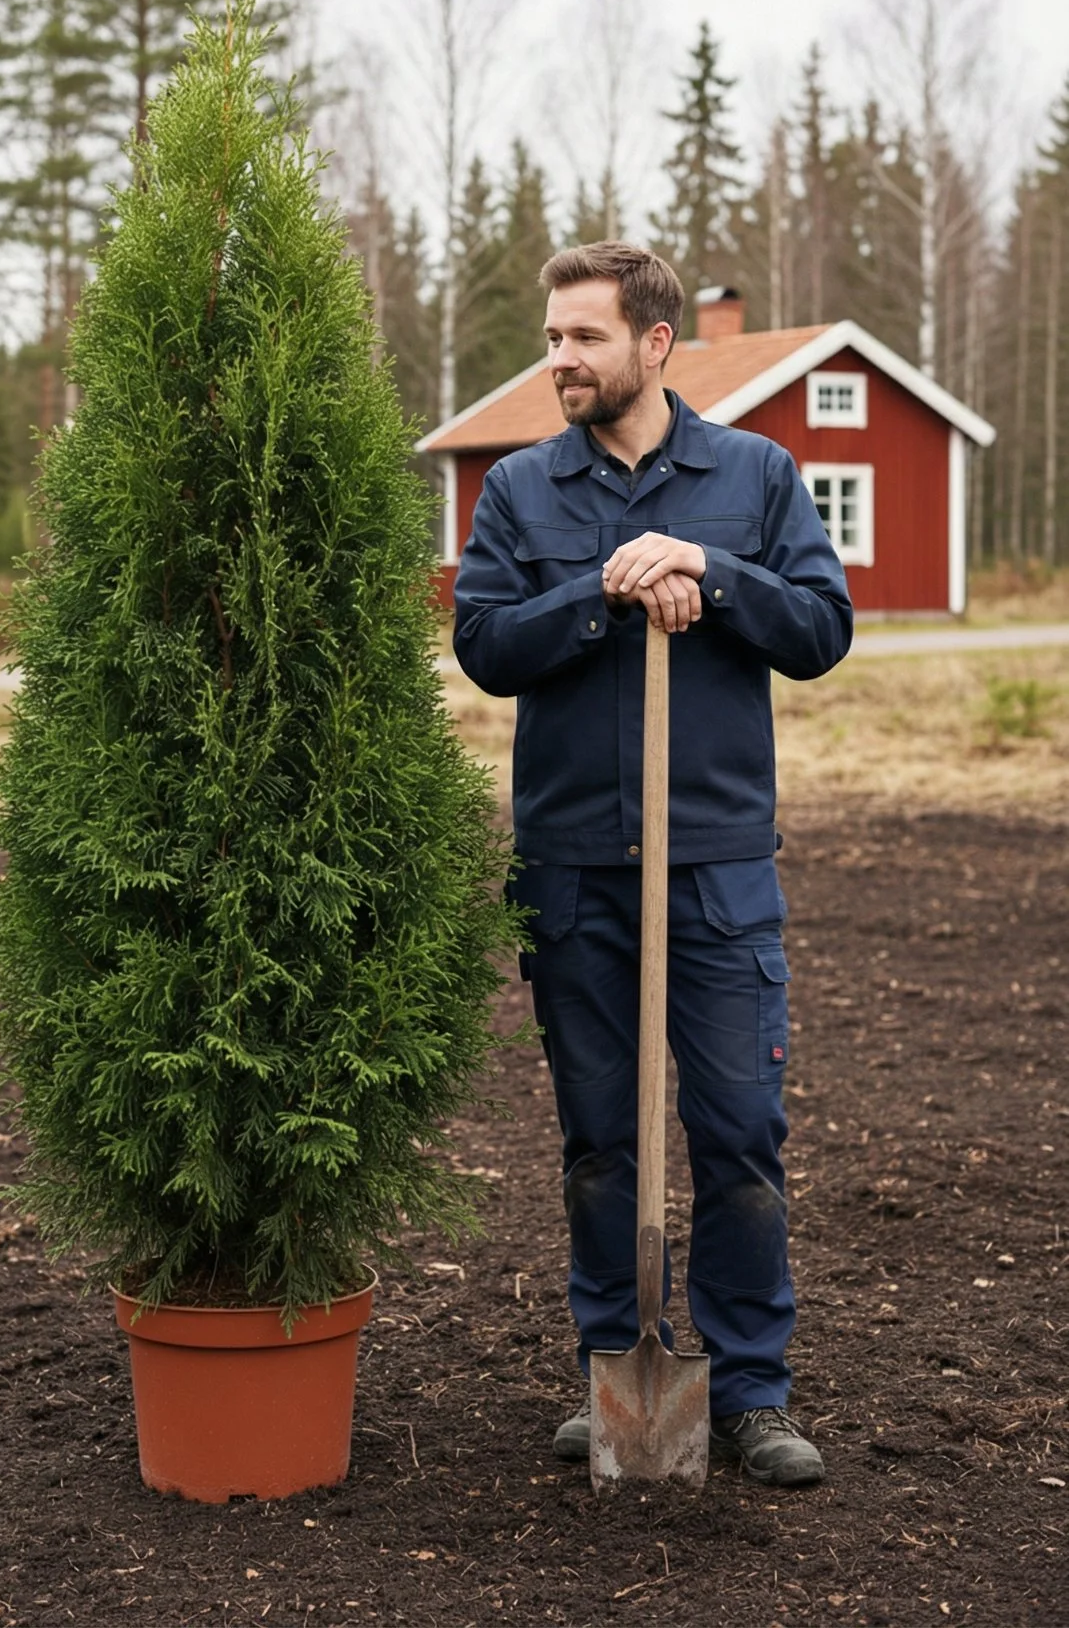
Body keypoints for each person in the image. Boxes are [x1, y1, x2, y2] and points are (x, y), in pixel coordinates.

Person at [453, 243, 853, 1488]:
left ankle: (748, 1392)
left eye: (582, 337)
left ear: (656, 342)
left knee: (739, 1132)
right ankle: (614, 1363)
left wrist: (711, 572)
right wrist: (605, 591)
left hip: (717, 871)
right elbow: (482, 641)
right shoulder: (522, 488)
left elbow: (821, 627)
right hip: (576, 869)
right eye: (552, 337)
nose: (558, 359)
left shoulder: (756, 476)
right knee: (597, 1140)